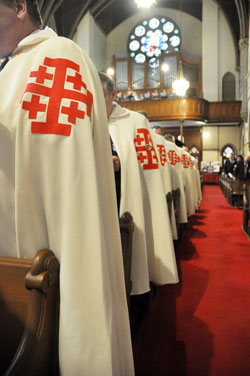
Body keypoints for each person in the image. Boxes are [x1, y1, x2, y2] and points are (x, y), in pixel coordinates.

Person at [0, 1, 134, 375]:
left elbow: (65, 173)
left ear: (21, 7)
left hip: (46, 259)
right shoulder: (10, 70)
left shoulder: (58, 56)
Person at [99, 72, 179, 297]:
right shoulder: (87, 119)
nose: (95, 104)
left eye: (101, 97)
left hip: (124, 198)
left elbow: (148, 167)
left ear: (114, 94)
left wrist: (121, 163)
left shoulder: (134, 121)